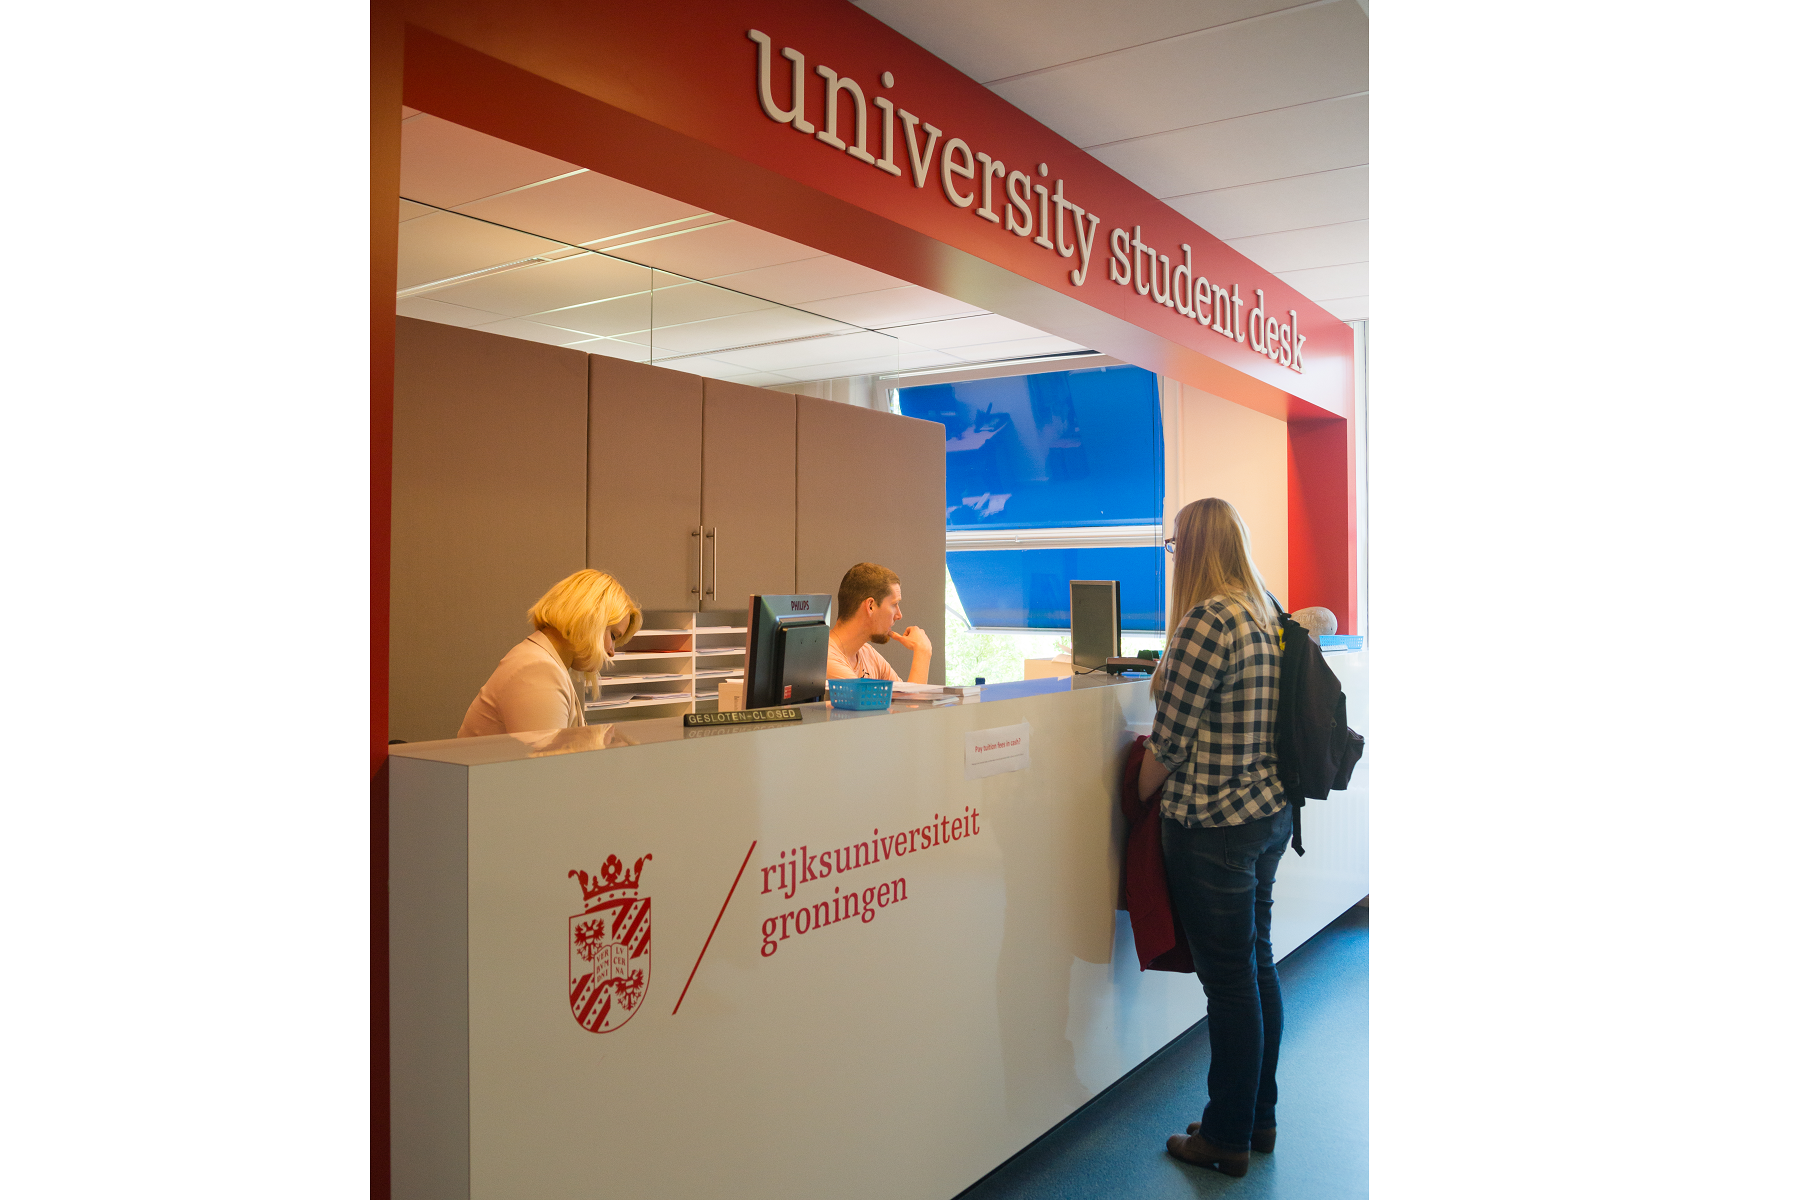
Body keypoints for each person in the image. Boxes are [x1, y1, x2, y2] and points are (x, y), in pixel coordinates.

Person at [1138, 498, 1289, 1178]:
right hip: (1267, 814)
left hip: (1214, 823)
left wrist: (1135, 795)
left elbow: (1168, 743)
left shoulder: (1206, 621)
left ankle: (1224, 1136)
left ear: (1192, 549)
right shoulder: (1265, 609)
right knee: (1255, 968)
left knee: (1229, 986)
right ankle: (1255, 1116)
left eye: (1175, 547)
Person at [457, 568, 642, 737]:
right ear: (591, 621)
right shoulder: (538, 670)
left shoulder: (541, 660)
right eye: (614, 636)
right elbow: (547, 770)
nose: (611, 652)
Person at [825, 562, 932, 683]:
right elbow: (911, 702)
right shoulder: (826, 659)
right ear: (870, 606)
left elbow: (904, 697)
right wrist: (923, 651)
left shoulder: (867, 653)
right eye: (894, 605)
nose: (899, 615)